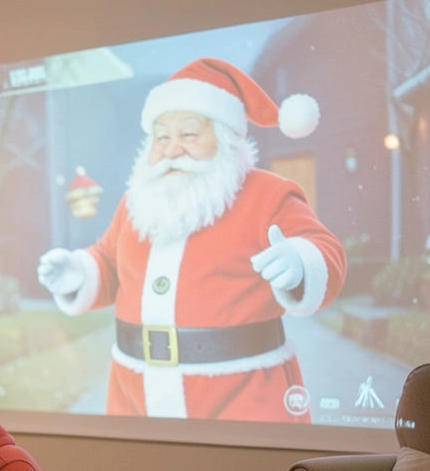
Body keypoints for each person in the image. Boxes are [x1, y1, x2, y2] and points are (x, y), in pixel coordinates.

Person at [36, 57, 346, 422]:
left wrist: (300, 261)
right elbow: (108, 261)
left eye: (188, 134)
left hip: (241, 393)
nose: (171, 149)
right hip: (134, 395)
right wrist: (79, 272)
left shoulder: (268, 193)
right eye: (161, 137)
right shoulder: (137, 201)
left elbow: (325, 250)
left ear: (226, 136)